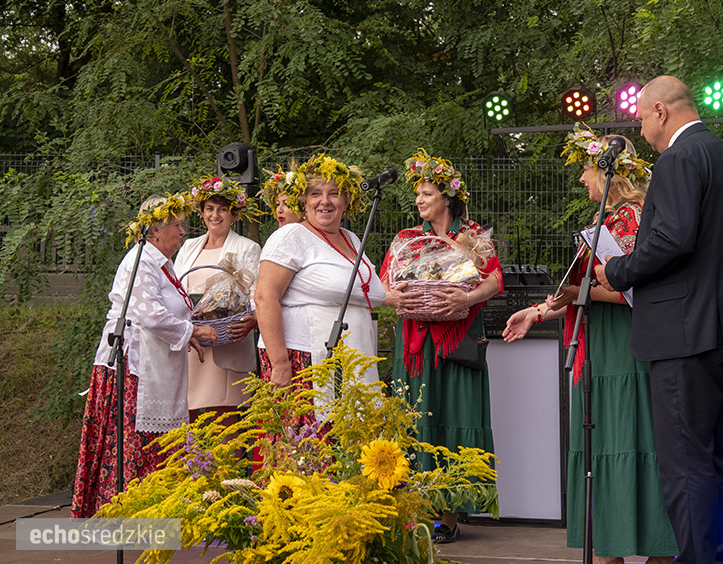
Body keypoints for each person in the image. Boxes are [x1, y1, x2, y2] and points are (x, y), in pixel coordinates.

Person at [594, 76, 723, 564]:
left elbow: (671, 240)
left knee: (685, 464)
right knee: (717, 458)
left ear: (661, 112)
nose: (642, 130)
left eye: (642, 118)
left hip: (686, 331)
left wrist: (617, 269)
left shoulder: (677, 159)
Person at [503, 128, 677, 563]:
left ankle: (654, 550)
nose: (582, 179)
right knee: (604, 453)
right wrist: (536, 312)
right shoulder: (607, 221)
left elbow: (635, 291)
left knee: (633, 447)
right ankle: (610, 549)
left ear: (607, 171)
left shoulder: (634, 217)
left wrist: (584, 293)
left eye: (585, 169)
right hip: (601, 349)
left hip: (626, 353)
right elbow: (581, 291)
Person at [380, 149, 502, 544]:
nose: (419, 200)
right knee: (416, 419)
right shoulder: (406, 240)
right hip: (416, 346)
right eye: (417, 194)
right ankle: (415, 510)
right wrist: (394, 297)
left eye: (427, 193)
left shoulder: (472, 235)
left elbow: (495, 280)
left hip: (458, 342)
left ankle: (448, 516)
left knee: (456, 415)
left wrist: (466, 297)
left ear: (447, 198)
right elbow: (383, 285)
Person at [71, 193, 218, 518]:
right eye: (176, 226)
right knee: (131, 444)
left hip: (154, 367)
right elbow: (150, 315)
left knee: (154, 443)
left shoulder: (160, 263)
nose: (183, 232)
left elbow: (166, 313)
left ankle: (155, 518)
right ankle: (122, 516)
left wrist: (187, 332)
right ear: (154, 231)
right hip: (133, 368)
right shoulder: (140, 261)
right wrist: (192, 331)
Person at [253, 153, 385, 408]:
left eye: (334, 193)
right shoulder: (292, 235)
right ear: (304, 201)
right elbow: (264, 297)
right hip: (305, 362)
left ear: (346, 201)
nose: (325, 201)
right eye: (315, 194)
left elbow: (366, 290)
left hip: (354, 360)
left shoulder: (351, 238)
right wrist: (279, 363)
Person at [174, 175, 263, 425]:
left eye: (222, 209)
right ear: (202, 213)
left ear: (233, 215)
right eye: (210, 209)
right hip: (192, 345)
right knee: (184, 422)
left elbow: (256, 294)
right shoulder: (189, 247)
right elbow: (174, 288)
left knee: (226, 426)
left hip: (227, 344)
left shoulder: (247, 248)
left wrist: (253, 320)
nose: (215, 215)